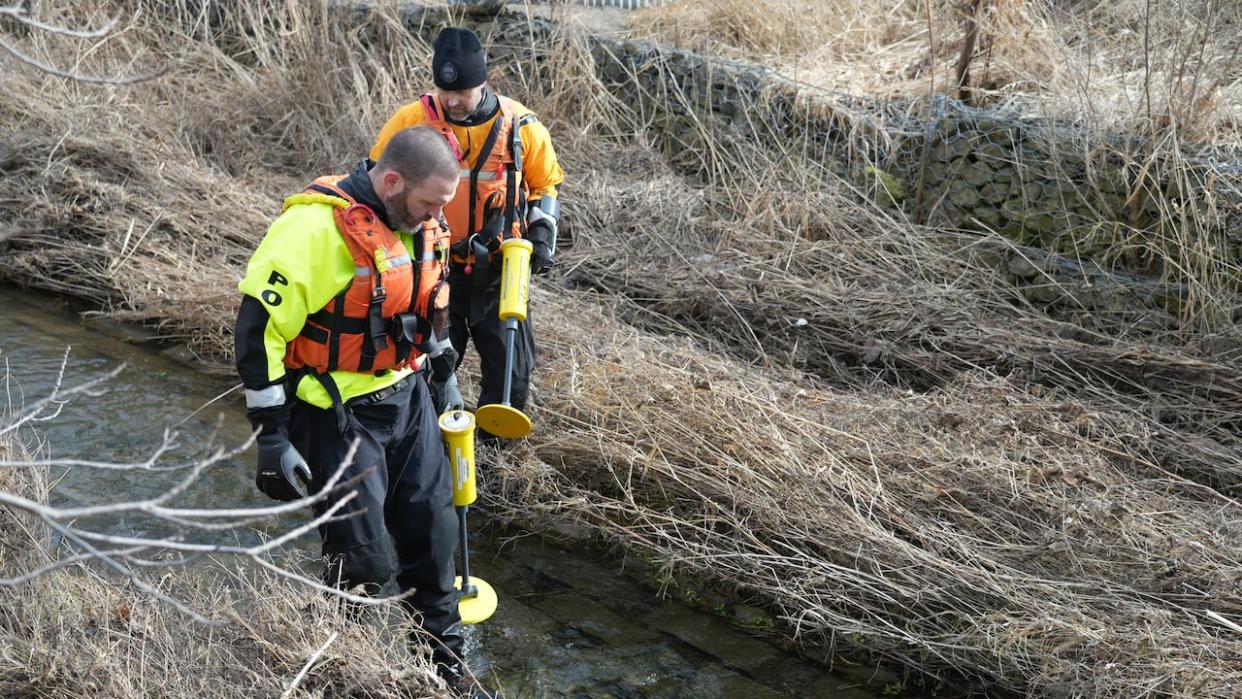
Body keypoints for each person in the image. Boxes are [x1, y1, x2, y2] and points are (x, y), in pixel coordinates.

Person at [233, 126, 490, 696]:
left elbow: (431, 304)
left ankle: (448, 676)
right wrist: (271, 437)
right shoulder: (312, 230)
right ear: (392, 180)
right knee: (366, 560)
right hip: (334, 412)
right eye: (428, 203)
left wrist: (443, 375)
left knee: (433, 539)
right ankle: (342, 668)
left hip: (409, 397)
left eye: (443, 206)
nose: (434, 217)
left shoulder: (423, 221)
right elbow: (257, 333)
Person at [371, 26, 565, 434]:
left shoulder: (522, 126)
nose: (453, 102)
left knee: (512, 369)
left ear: (483, 82)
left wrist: (542, 233)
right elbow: (377, 179)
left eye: (462, 92)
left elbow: (545, 184)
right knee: (428, 365)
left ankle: (494, 457)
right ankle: (431, 446)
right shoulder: (411, 121)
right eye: (445, 93)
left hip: (500, 270)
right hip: (431, 268)